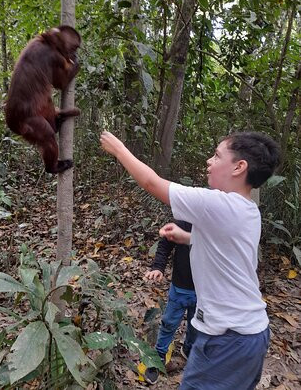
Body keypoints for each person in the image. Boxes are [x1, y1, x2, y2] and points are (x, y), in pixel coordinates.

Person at [100, 130, 280, 390]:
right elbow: (226, 251)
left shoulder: (217, 204)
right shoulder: (247, 209)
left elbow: (152, 183)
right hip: (249, 333)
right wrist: (187, 237)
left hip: (227, 338)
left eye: (217, 156)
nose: (209, 161)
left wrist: (119, 150)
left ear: (239, 167)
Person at [144, 220, 197, 385]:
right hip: (180, 287)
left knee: (196, 326)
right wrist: (158, 267)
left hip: (205, 290)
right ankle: (158, 356)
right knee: (169, 323)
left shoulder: (215, 222)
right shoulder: (184, 220)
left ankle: (189, 349)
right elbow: (165, 244)